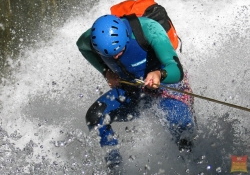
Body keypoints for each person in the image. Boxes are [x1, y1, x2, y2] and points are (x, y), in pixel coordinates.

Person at [76, 13, 195, 166]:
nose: (116, 58)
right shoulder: (92, 39)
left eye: (119, 51)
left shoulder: (149, 29)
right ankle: (115, 167)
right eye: (111, 56)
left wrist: (160, 74)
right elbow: (82, 46)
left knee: (183, 135)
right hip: (131, 91)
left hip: (166, 88)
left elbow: (177, 70)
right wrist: (105, 72)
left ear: (126, 36)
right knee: (95, 116)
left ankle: (193, 166)